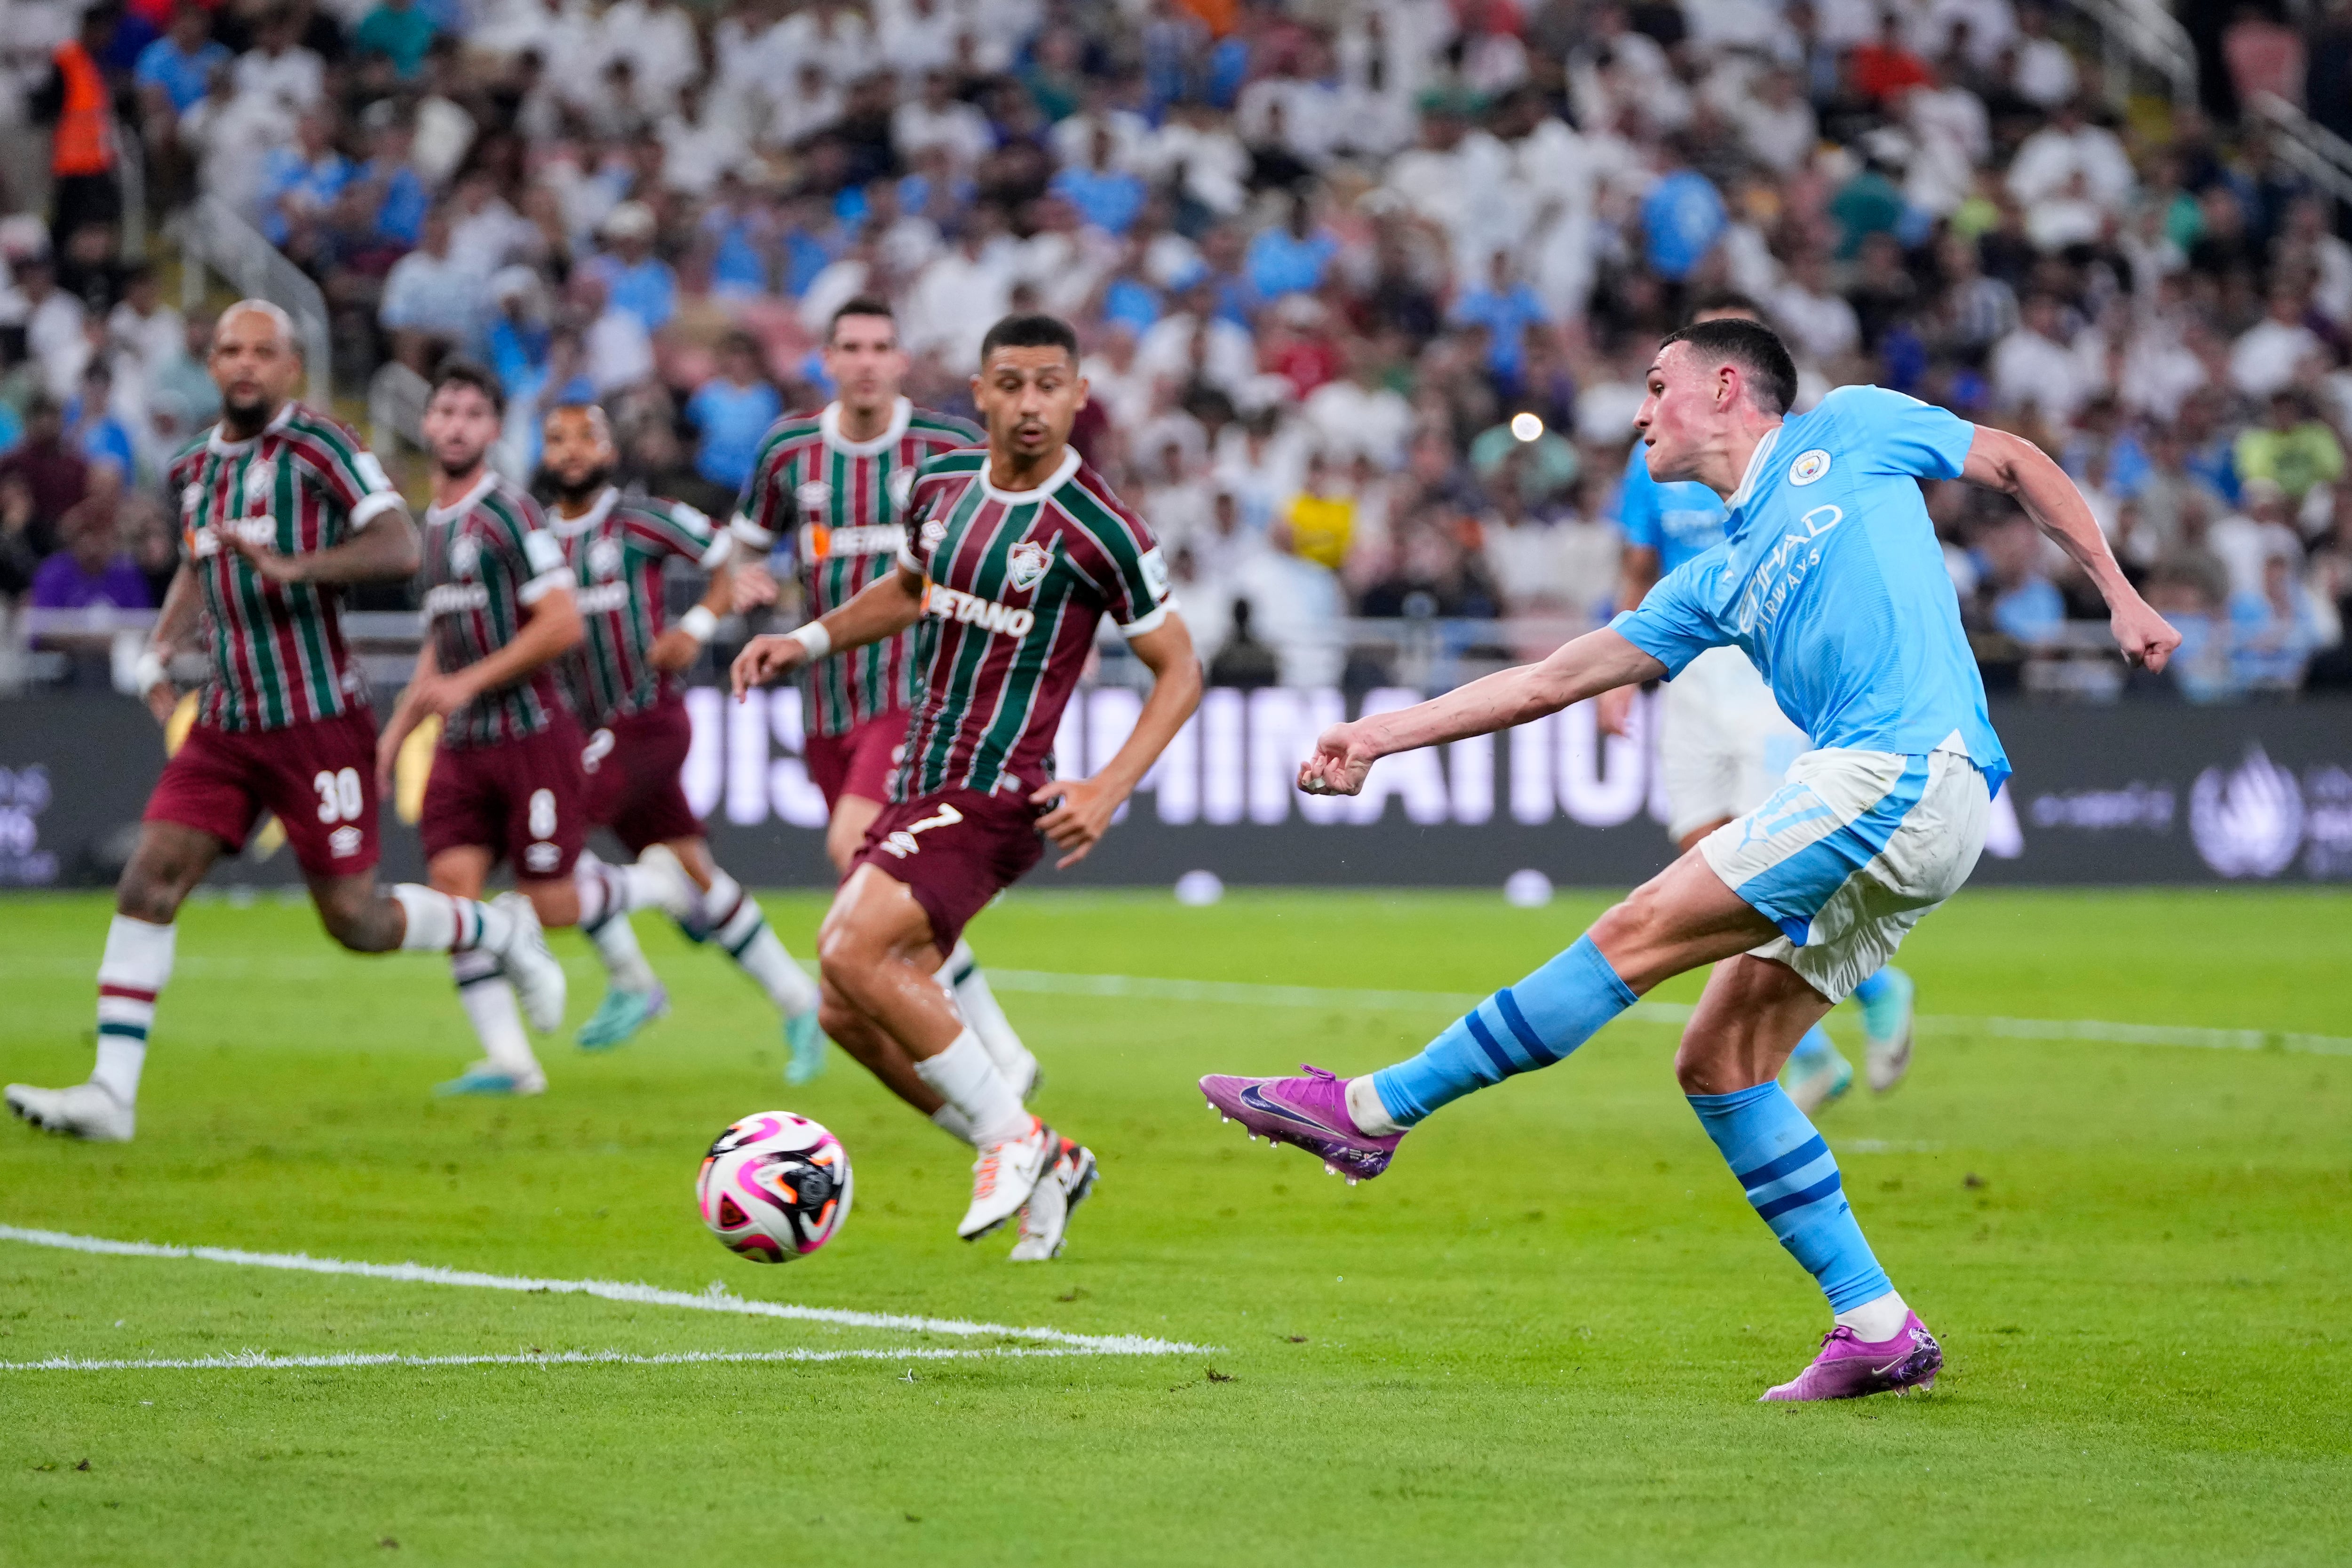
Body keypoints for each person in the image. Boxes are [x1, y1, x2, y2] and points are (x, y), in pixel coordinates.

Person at [1205, 317, 2178, 1400]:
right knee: (1719, 1061)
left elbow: (2010, 461)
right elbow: (1552, 677)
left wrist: (2116, 587)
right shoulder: (1712, 577)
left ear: (1724, 386)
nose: (1636, 412)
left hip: (1903, 765)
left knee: (1637, 928)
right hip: (1912, 800)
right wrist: (1380, 735)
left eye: (1654, 385)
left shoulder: (1848, 427)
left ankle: (1370, 1112)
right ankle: (1874, 1324)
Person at [6, 303, 565, 1144]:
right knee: (148, 880)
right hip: (227, 721)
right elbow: (201, 567)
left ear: (291, 367)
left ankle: (497, 926)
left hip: (316, 721)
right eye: (230, 348)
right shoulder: (194, 464)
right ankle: (111, 1095)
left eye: (263, 352)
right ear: (211, 357)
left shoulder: (322, 448)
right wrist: (164, 645)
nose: (244, 364)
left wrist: (295, 566)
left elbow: (398, 547)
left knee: (358, 921)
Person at [732, 311, 1202, 1262]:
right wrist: (807, 637)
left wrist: (1109, 787)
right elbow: (910, 591)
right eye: (1011, 384)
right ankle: (1048, 1153)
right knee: (844, 1006)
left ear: (1079, 395)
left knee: (850, 945)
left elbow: (1181, 668)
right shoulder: (940, 485)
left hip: (995, 792)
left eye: (1049, 385)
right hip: (919, 781)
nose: (1031, 405)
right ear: (980, 393)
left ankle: (1009, 1136)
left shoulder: (1099, 527)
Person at [1602, 295, 1920, 1114]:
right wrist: (1616, 674)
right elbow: (1637, 565)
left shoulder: (1795, 452)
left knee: (1756, 857)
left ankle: (1872, 992)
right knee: (1698, 849)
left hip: (1761, 661)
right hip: (1687, 666)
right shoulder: (1656, 462)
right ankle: (1818, 1051)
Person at [731, 296, 1041, 1096]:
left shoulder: (946, 446)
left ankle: (997, 1056)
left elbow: (1006, 532)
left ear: (901, 361)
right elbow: (743, 546)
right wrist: (743, 581)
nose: (866, 361)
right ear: (826, 360)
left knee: (853, 850)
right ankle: (981, 1053)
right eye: (851, 347)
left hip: (917, 697)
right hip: (827, 703)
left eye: (881, 347)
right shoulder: (790, 451)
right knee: (886, 885)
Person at [536, 400, 825, 1067]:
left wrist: (695, 626)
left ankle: (634, 981)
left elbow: (736, 557)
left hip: (648, 717)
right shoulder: (535, 538)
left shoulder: (641, 518)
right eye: (558, 438)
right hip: (586, 724)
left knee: (553, 838)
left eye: (587, 437)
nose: (572, 449)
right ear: (544, 454)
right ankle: (797, 999)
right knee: (696, 869)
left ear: (610, 451)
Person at [375, 364, 587, 1097]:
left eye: (473, 412)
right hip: (464, 742)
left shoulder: (512, 514)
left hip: (531, 734)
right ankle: (512, 1061)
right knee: (453, 892)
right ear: (427, 424)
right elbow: (445, 635)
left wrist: (468, 682)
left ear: (494, 430)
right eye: (446, 411)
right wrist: (399, 726)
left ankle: (663, 890)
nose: (457, 425)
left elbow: (563, 622)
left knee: (554, 904)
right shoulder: (428, 524)